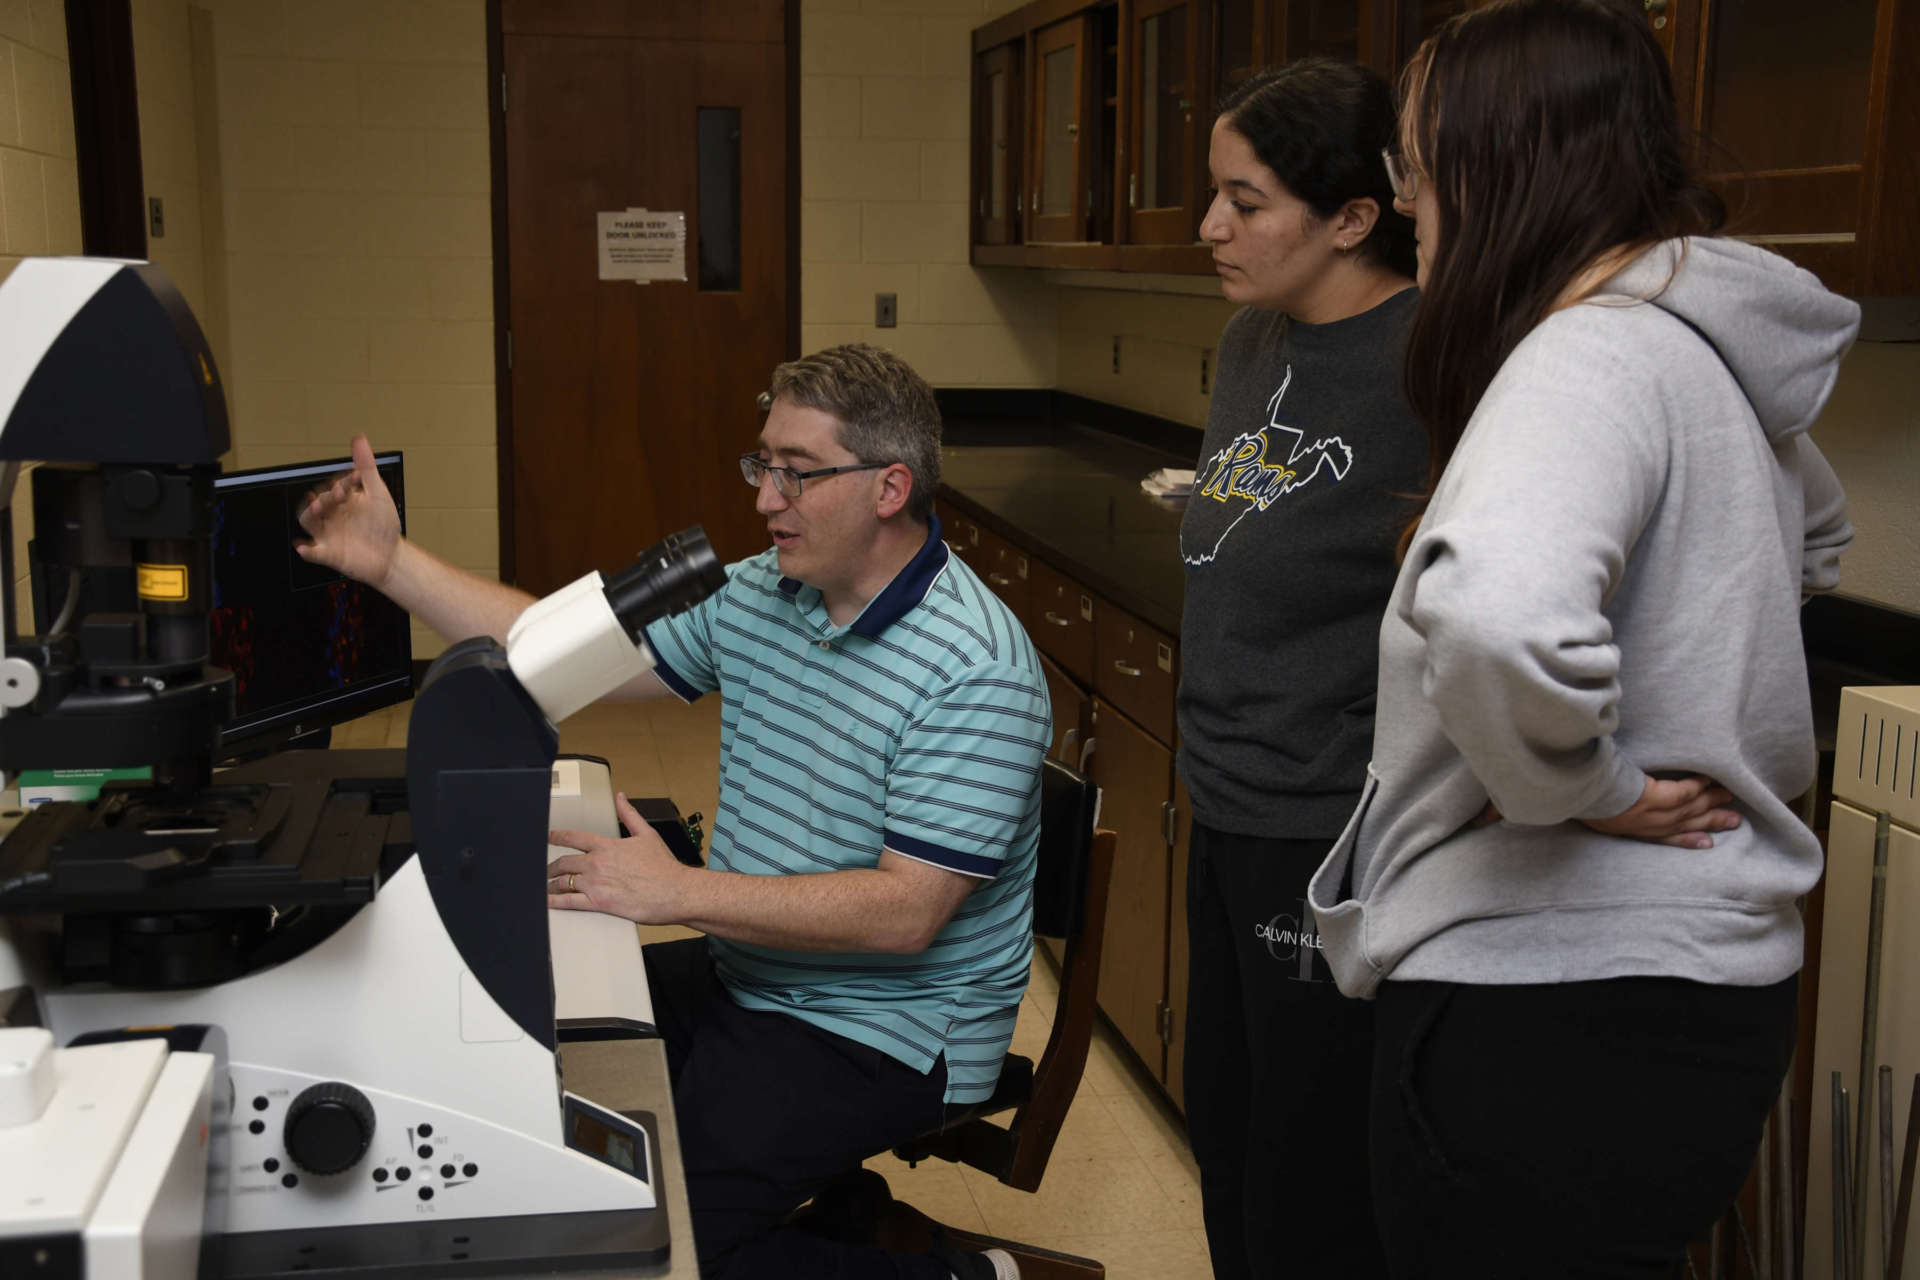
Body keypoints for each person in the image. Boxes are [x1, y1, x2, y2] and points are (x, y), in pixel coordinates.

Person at [1303, 2, 1856, 1274]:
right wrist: (1684, 665)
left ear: (1496, 168)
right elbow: (1816, 541)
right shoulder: (1697, 349)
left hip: (1544, 1004)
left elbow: (1497, 615)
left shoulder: (1578, 362)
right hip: (1706, 997)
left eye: (1416, 166)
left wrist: (1580, 783)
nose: (1405, 202)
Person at [298, 343, 1048, 1280]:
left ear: (891, 486)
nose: (765, 498)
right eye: (762, 465)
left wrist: (679, 892)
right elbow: (559, 650)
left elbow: (907, 915)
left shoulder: (975, 667)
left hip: (883, 1027)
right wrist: (388, 560)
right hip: (760, 974)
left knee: (649, 1243)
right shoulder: (768, 590)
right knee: (524, 1042)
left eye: (797, 474)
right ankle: (835, 1210)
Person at [1177, 58, 1422, 1280]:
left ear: (1354, 218)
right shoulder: (1250, 337)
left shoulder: (1434, 361)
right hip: (1223, 799)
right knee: (1220, 1124)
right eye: (1213, 193)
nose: (1213, 225)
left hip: (1327, 825)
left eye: (1248, 199)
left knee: (1305, 1170)